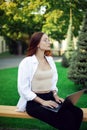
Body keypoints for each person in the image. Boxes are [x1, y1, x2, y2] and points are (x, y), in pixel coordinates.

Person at [17, 32, 83, 130]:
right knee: (68, 119)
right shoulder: (27, 62)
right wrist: (43, 102)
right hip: (34, 102)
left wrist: (55, 96)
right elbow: (23, 89)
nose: (49, 42)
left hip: (50, 97)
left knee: (78, 112)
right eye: (45, 40)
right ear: (37, 44)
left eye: (48, 39)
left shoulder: (50, 60)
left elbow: (53, 81)